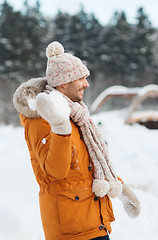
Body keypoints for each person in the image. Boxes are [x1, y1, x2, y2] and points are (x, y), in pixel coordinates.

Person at [13, 41, 140, 240]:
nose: (86, 84)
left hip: (94, 221)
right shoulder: (40, 118)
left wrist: (120, 187)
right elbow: (55, 172)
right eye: (81, 78)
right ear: (63, 82)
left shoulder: (76, 113)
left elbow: (90, 163)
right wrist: (60, 129)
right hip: (71, 229)